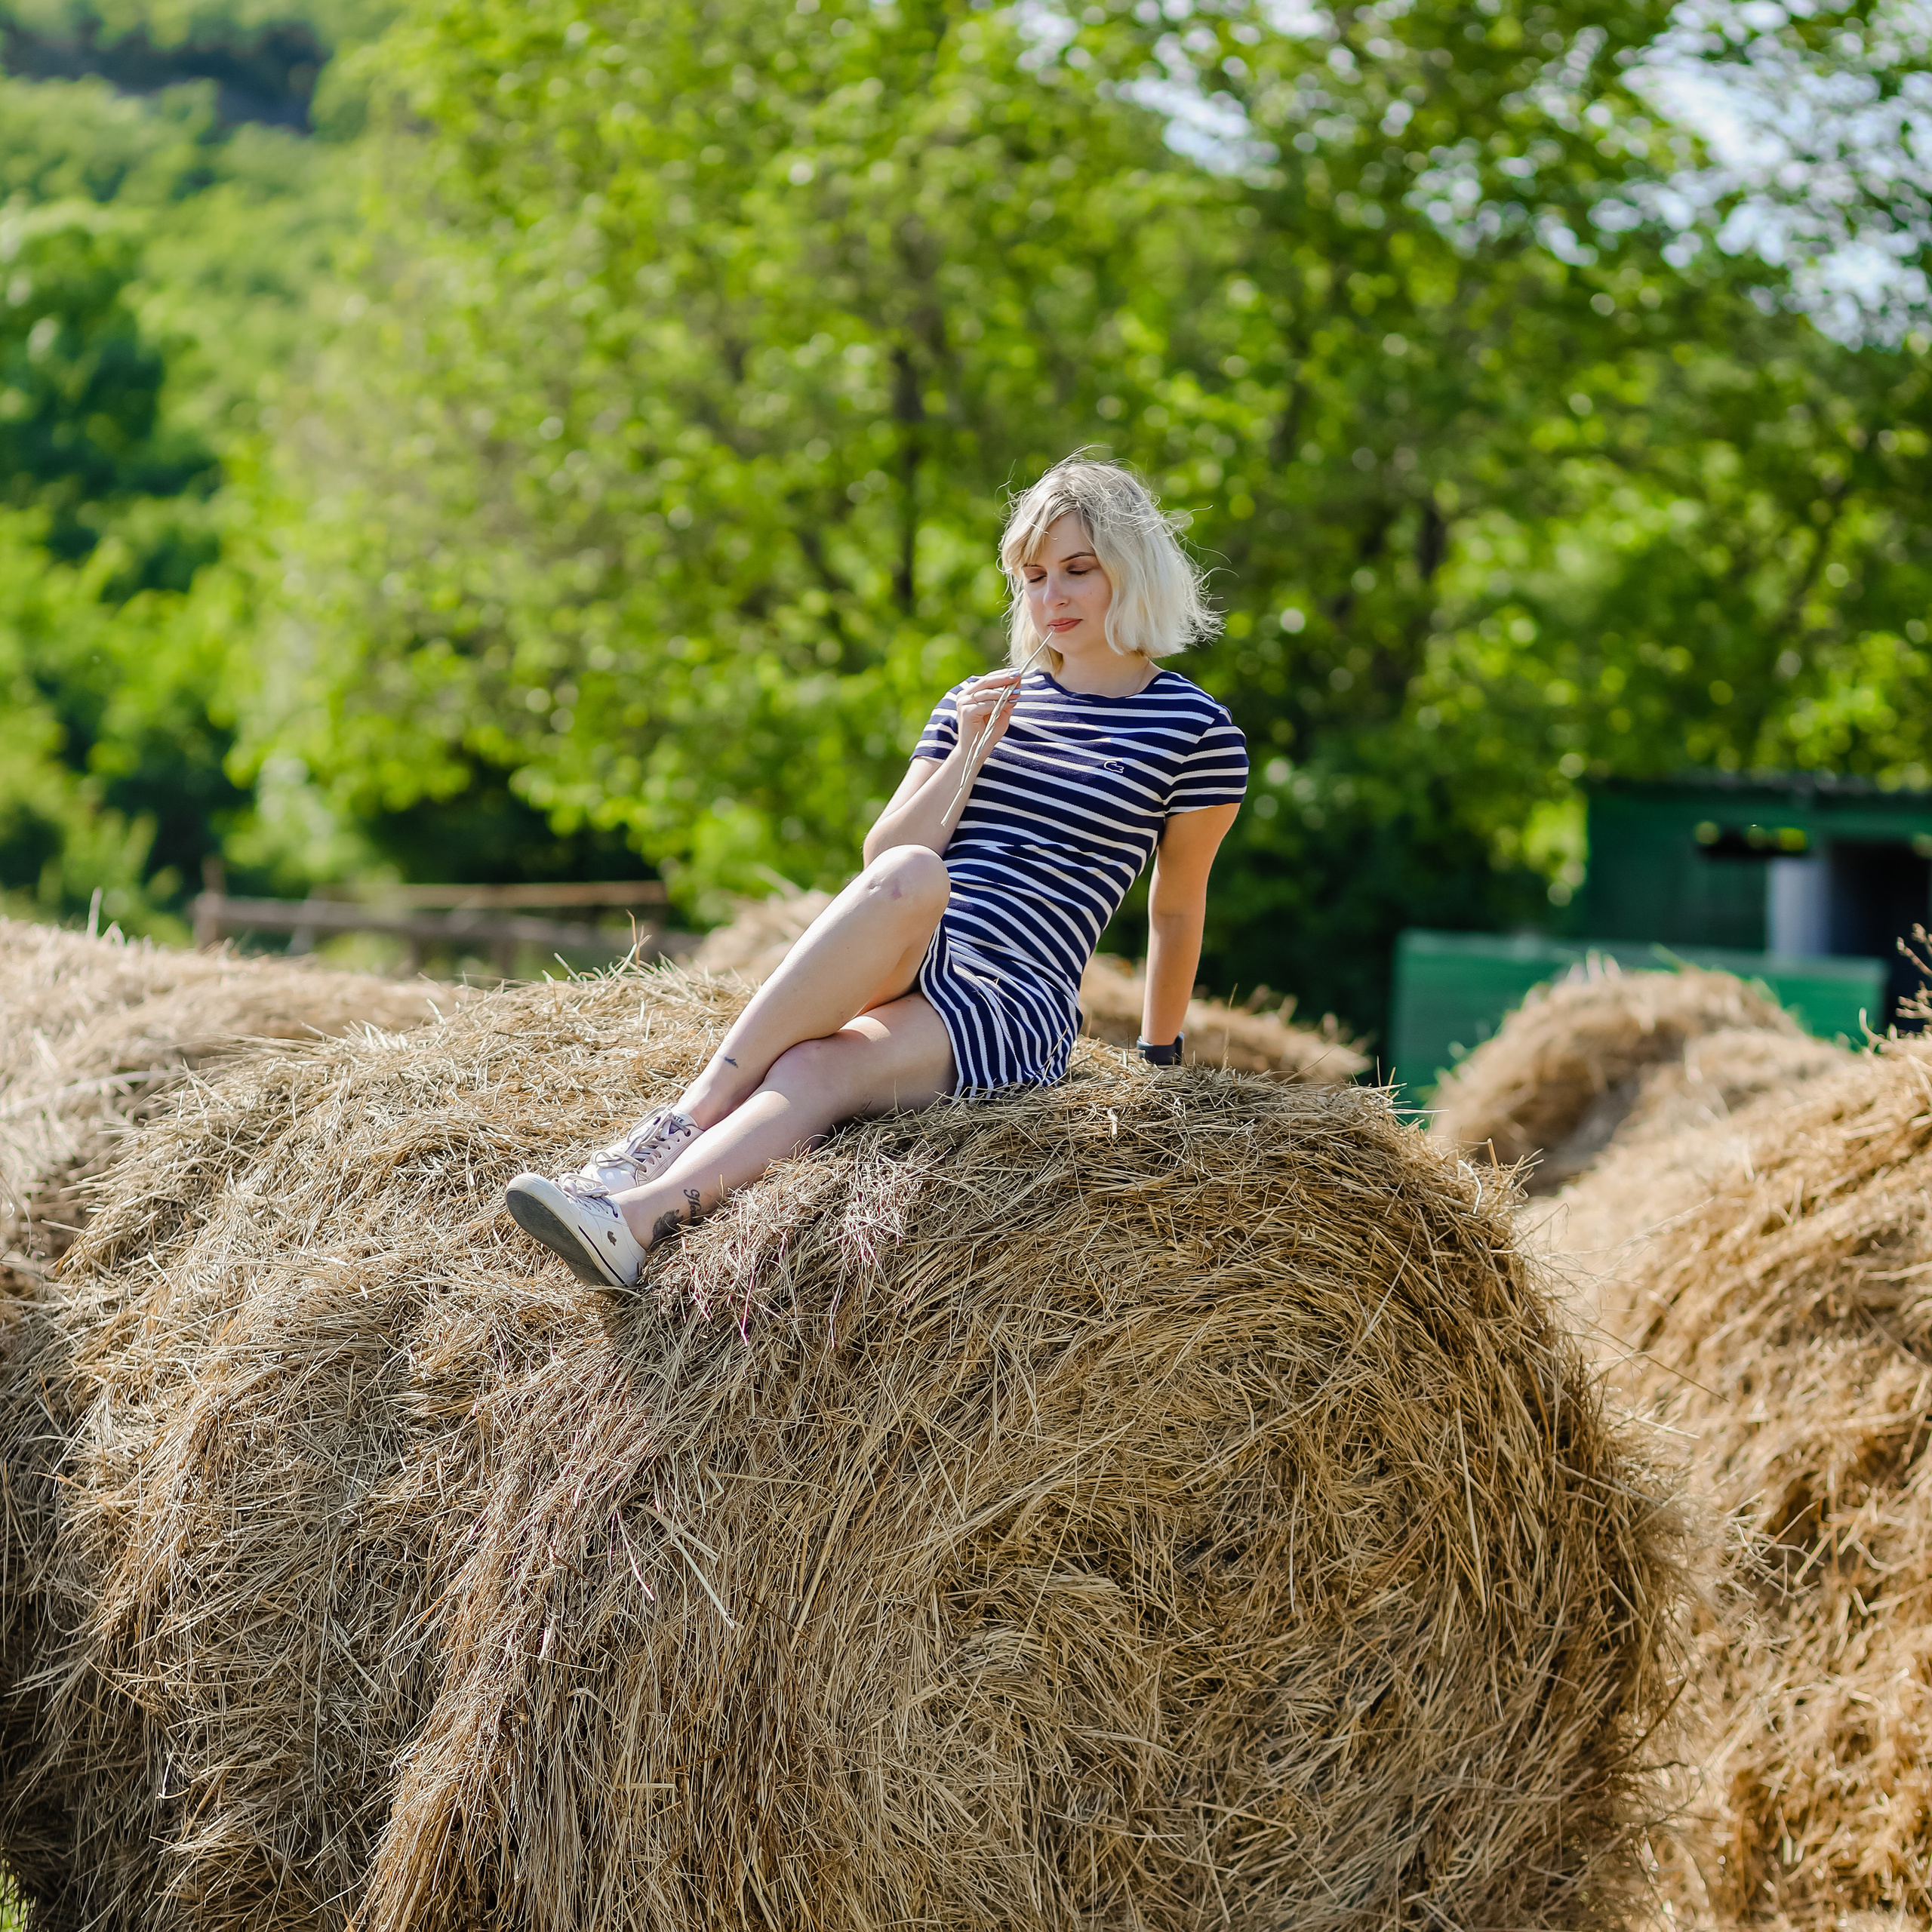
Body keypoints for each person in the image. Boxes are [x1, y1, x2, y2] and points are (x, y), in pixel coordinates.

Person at [506, 456, 1248, 1288]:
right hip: (915, 940)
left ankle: (633, 1223)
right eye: (1034, 578)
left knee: (816, 1069)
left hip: (1014, 996)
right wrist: (971, 749)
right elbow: (885, 857)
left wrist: (1157, 1062)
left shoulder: (1194, 730)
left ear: (1131, 567)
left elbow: (1175, 909)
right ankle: (673, 1127)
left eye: (1078, 571)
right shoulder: (981, 697)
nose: (1053, 599)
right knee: (910, 875)